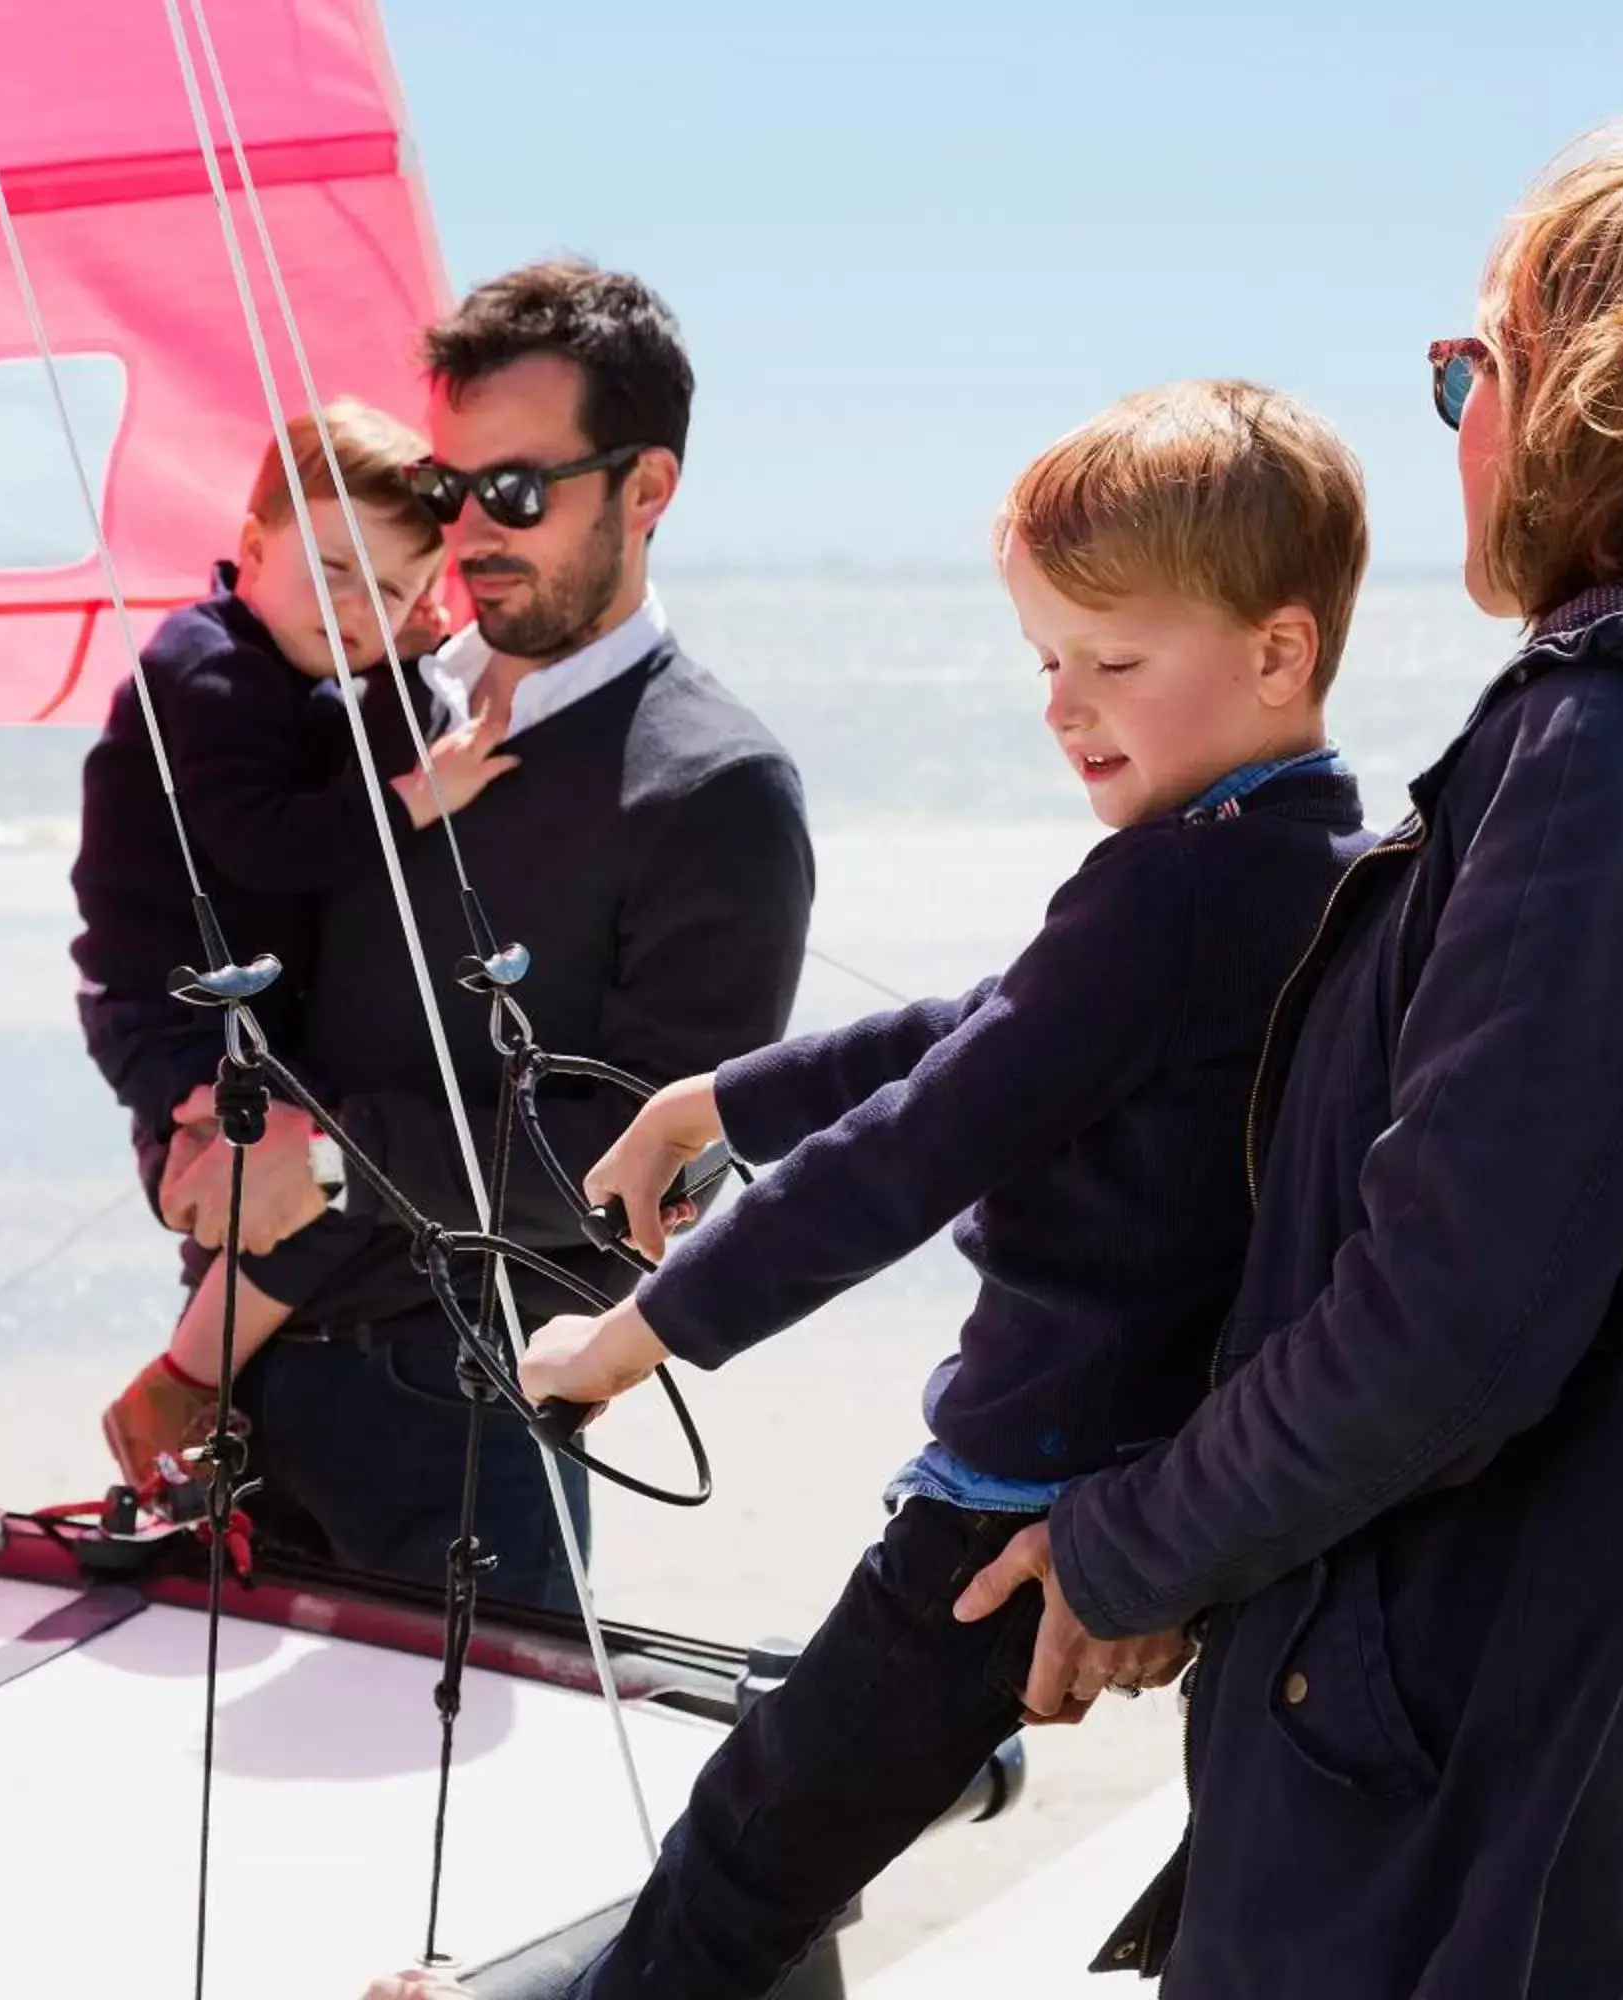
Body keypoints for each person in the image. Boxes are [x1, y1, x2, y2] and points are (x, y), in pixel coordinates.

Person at [948, 119, 1623, 1995]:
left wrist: (1127, 1549)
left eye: (1466, 372)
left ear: (1586, 399)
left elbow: (1450, 1327)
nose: (1451, 426)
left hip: (1436, 1736)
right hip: (1493, 1686)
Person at [499, 380, 1377, 2000]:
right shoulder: (1316, 857)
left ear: (1278, 649)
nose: (1066, 706)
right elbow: (992, 1026)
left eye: (1114, 663)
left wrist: (636, 1336)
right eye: (1049, 661)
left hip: (1023, 1490)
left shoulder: (1171, 893)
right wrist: (720, 1097)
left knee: (759, 1840)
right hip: (1164, 1468)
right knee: (804, 1820)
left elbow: (926, 1141)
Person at [202, 260, 817, 1613]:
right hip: (242, 1368)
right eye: (446, 489)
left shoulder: (715, 789)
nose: (472, 529)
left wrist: (328, 1161)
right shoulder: (369, 715)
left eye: (520, 492)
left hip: (465, 1412)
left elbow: (643, 1175)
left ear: (646, 490)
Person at [73, 399, 483, 1486]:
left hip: (235, 1009)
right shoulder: (203, 668)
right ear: (253, 548)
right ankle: (172, 1392)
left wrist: (405, 672)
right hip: (166, 1012)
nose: (360, 608)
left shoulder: (298, 674)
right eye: (336, 569)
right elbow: (263, 845)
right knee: (294, 1191)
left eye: (395, 592)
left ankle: (194, 1411)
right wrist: (414, 800)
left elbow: (354, 761)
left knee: (296, 1194)